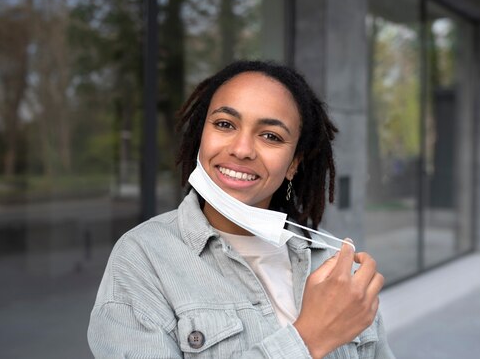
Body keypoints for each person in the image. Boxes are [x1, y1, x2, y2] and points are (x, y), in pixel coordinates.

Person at [87, 60, 395, 358]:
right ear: (200, 137)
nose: (242, 149)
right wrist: (308, 340)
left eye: (270, 136)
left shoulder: (333, 265)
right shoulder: (144, 257)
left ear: (293, 164)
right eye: (224, 124)